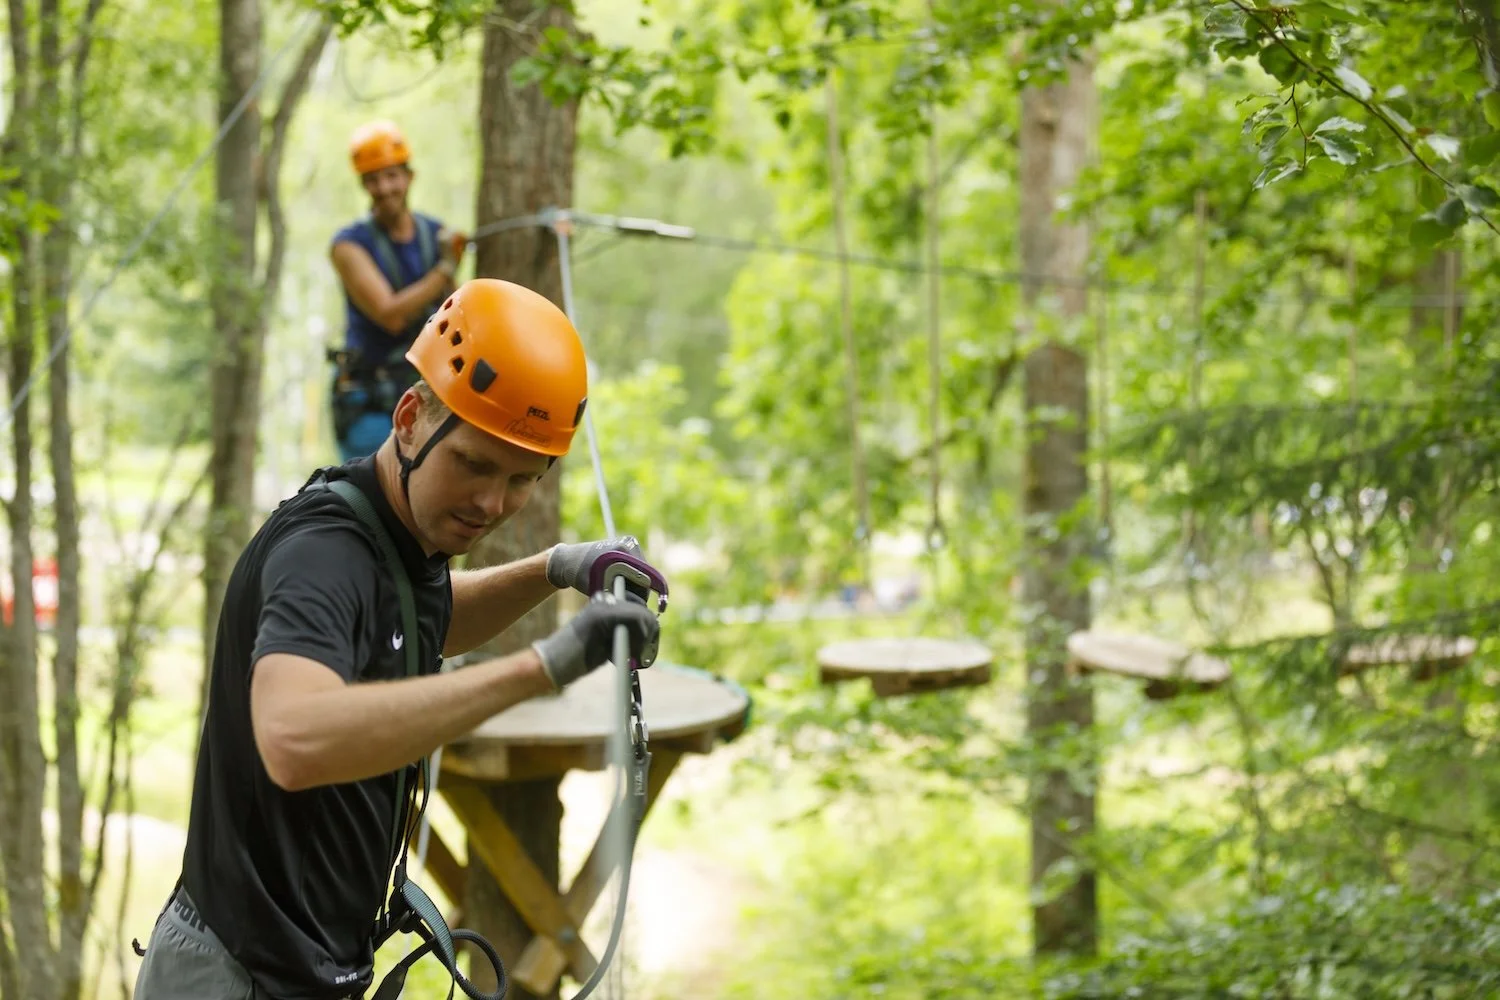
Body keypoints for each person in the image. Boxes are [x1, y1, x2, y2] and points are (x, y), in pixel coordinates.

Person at [133, 277, 664, 999]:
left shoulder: (401, 538)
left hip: (310, 969)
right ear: (410, 417)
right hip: (237, 974)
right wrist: (549, 665)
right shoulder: (325, 552)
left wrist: (557, 567)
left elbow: (426, 624)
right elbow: (292, 738)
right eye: (473, 463)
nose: (489, 503)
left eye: (520, 480)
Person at [328, 118, 468, 461]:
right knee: (375, 498)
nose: (384, 187)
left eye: (392, 175)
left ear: (409, 176)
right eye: (373, 179)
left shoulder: (435, 235)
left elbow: (457, 307)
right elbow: (389, 314)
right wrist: (446, 266)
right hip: (370, 404)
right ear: (364, 185)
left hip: (425, 393)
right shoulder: (349, 246)